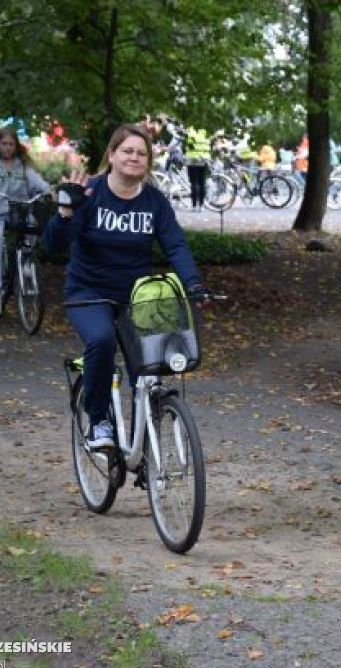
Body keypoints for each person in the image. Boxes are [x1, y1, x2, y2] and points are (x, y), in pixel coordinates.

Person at [42, 123, 210, 450]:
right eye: (127, 151)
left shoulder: (154, 202)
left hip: (137, 298)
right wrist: (65, 211)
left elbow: (175, 245)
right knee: (102, 340)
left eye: (141, 153)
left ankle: (142, 440)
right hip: (88, 293)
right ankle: (98, 421)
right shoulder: (90, 193)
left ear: (148, 161)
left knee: (149, 370)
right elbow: (52, 246)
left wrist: (193, 283)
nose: (134, 158)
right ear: (112, 155)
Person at [0, 126, 51, 320]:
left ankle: (25, 260)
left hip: (18, 210)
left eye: (11, 144)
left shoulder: (23, 166)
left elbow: (37, 182)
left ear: (16, 146)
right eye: (4, 144)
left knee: (32, 223)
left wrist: (50, 191)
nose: (8, 148)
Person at [186, 126, 211, 211]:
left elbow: (189, 146)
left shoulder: (191, 134)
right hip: (203, 160)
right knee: (202, 183)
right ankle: (201, 205)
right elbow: (207, 148)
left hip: (192, 160)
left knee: (194, 183)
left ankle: (194, 205)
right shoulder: (204, 135)